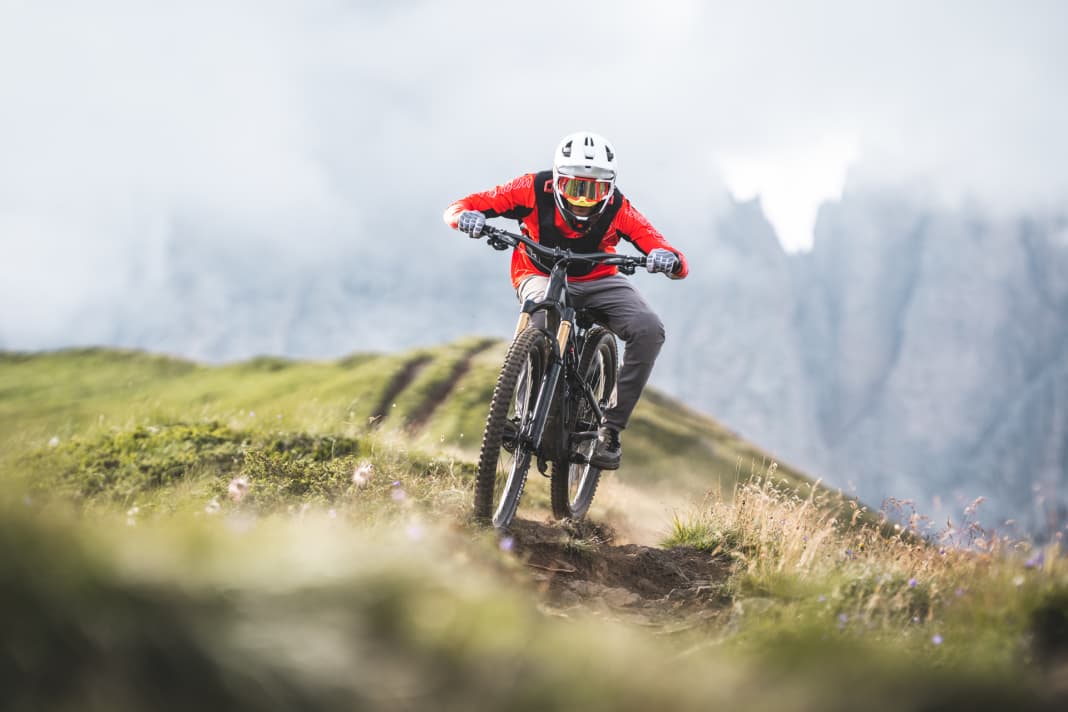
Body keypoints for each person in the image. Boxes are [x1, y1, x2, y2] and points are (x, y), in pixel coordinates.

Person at [443, 131, 688, 470]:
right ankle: (523, 410)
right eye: (575, 188)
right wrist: (465, 218)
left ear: (610, 186)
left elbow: (665, 251)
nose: (584, 201)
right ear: (557, 181)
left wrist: (668, 260)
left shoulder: (618, 207)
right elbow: (460, 207)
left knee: (649, 329)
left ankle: (610, 430)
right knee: (542, 316)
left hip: (598, 279)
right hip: (540, 272)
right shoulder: (529, 188)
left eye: (596, 190)